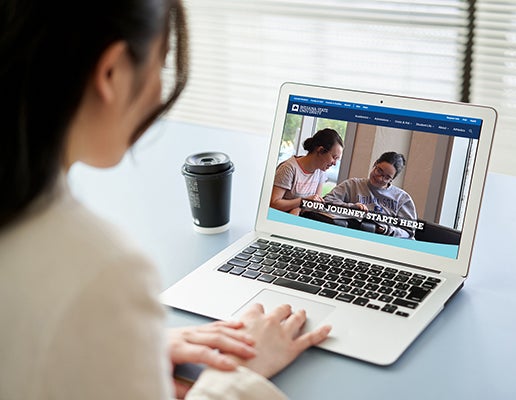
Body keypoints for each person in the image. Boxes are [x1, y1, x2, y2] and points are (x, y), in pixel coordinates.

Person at [0, 1, 330, 399]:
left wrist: (120, 348)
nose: (160, 87)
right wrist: (239, 373)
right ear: (112, 72)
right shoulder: (103, 271)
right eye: (161, 62)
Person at [323, 152, 417, 238]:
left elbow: (408, 232)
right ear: (375, 164)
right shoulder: (353, 185)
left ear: (392, 180)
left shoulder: (402, 199)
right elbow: (326, 200)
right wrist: (351, 207)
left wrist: (386, 230)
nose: (380, 178)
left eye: (387, 177)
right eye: (379, 171)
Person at [270, 128, 343, 215]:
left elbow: (315, 204)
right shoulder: (288, 168)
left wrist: (299, 208)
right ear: (320, 150)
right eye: (334, 158)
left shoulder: (321, 171)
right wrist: (302, 201)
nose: (334, 163)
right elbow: (273, 204)